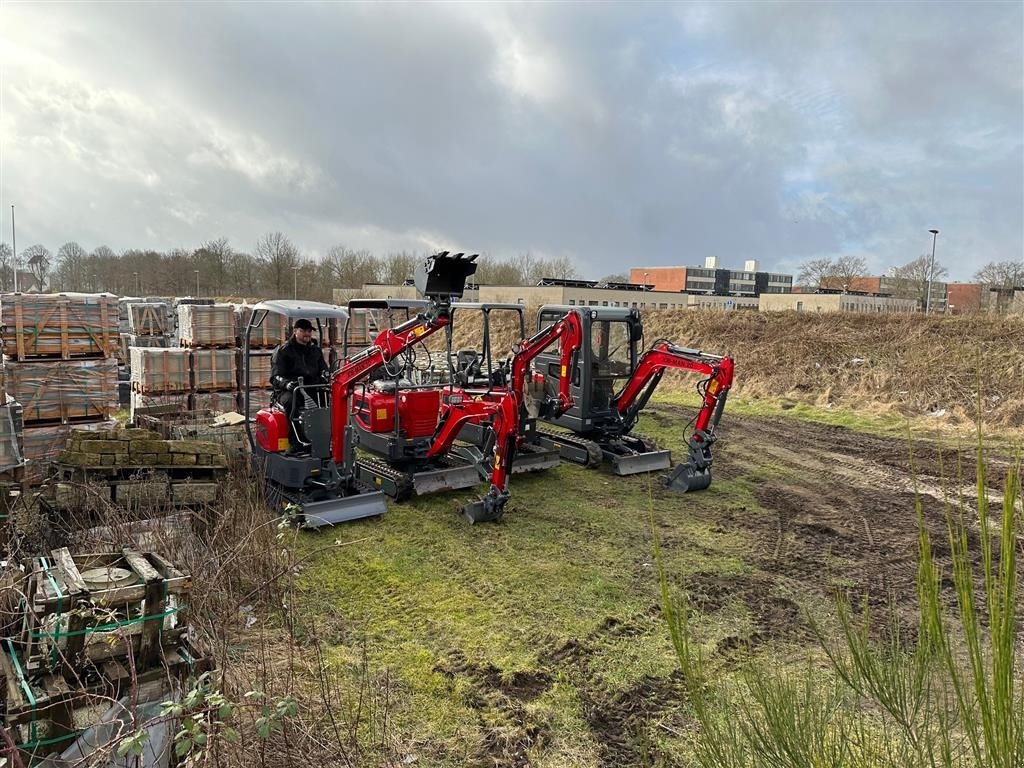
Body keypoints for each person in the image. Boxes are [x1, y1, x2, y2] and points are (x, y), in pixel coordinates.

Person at [270, 319, 330, 426]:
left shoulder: (315, 351)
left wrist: (325, 376)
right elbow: (276, 376)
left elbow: (324, 369)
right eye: (303, 331)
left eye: (309, 331)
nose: (307, 334)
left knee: (326, 399)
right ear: (295, 331)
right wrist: (287, 384)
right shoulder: (283, 351)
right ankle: (295, 437)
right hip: (290, 390)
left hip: (311, 387)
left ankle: (323, 433)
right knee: (290, 402)